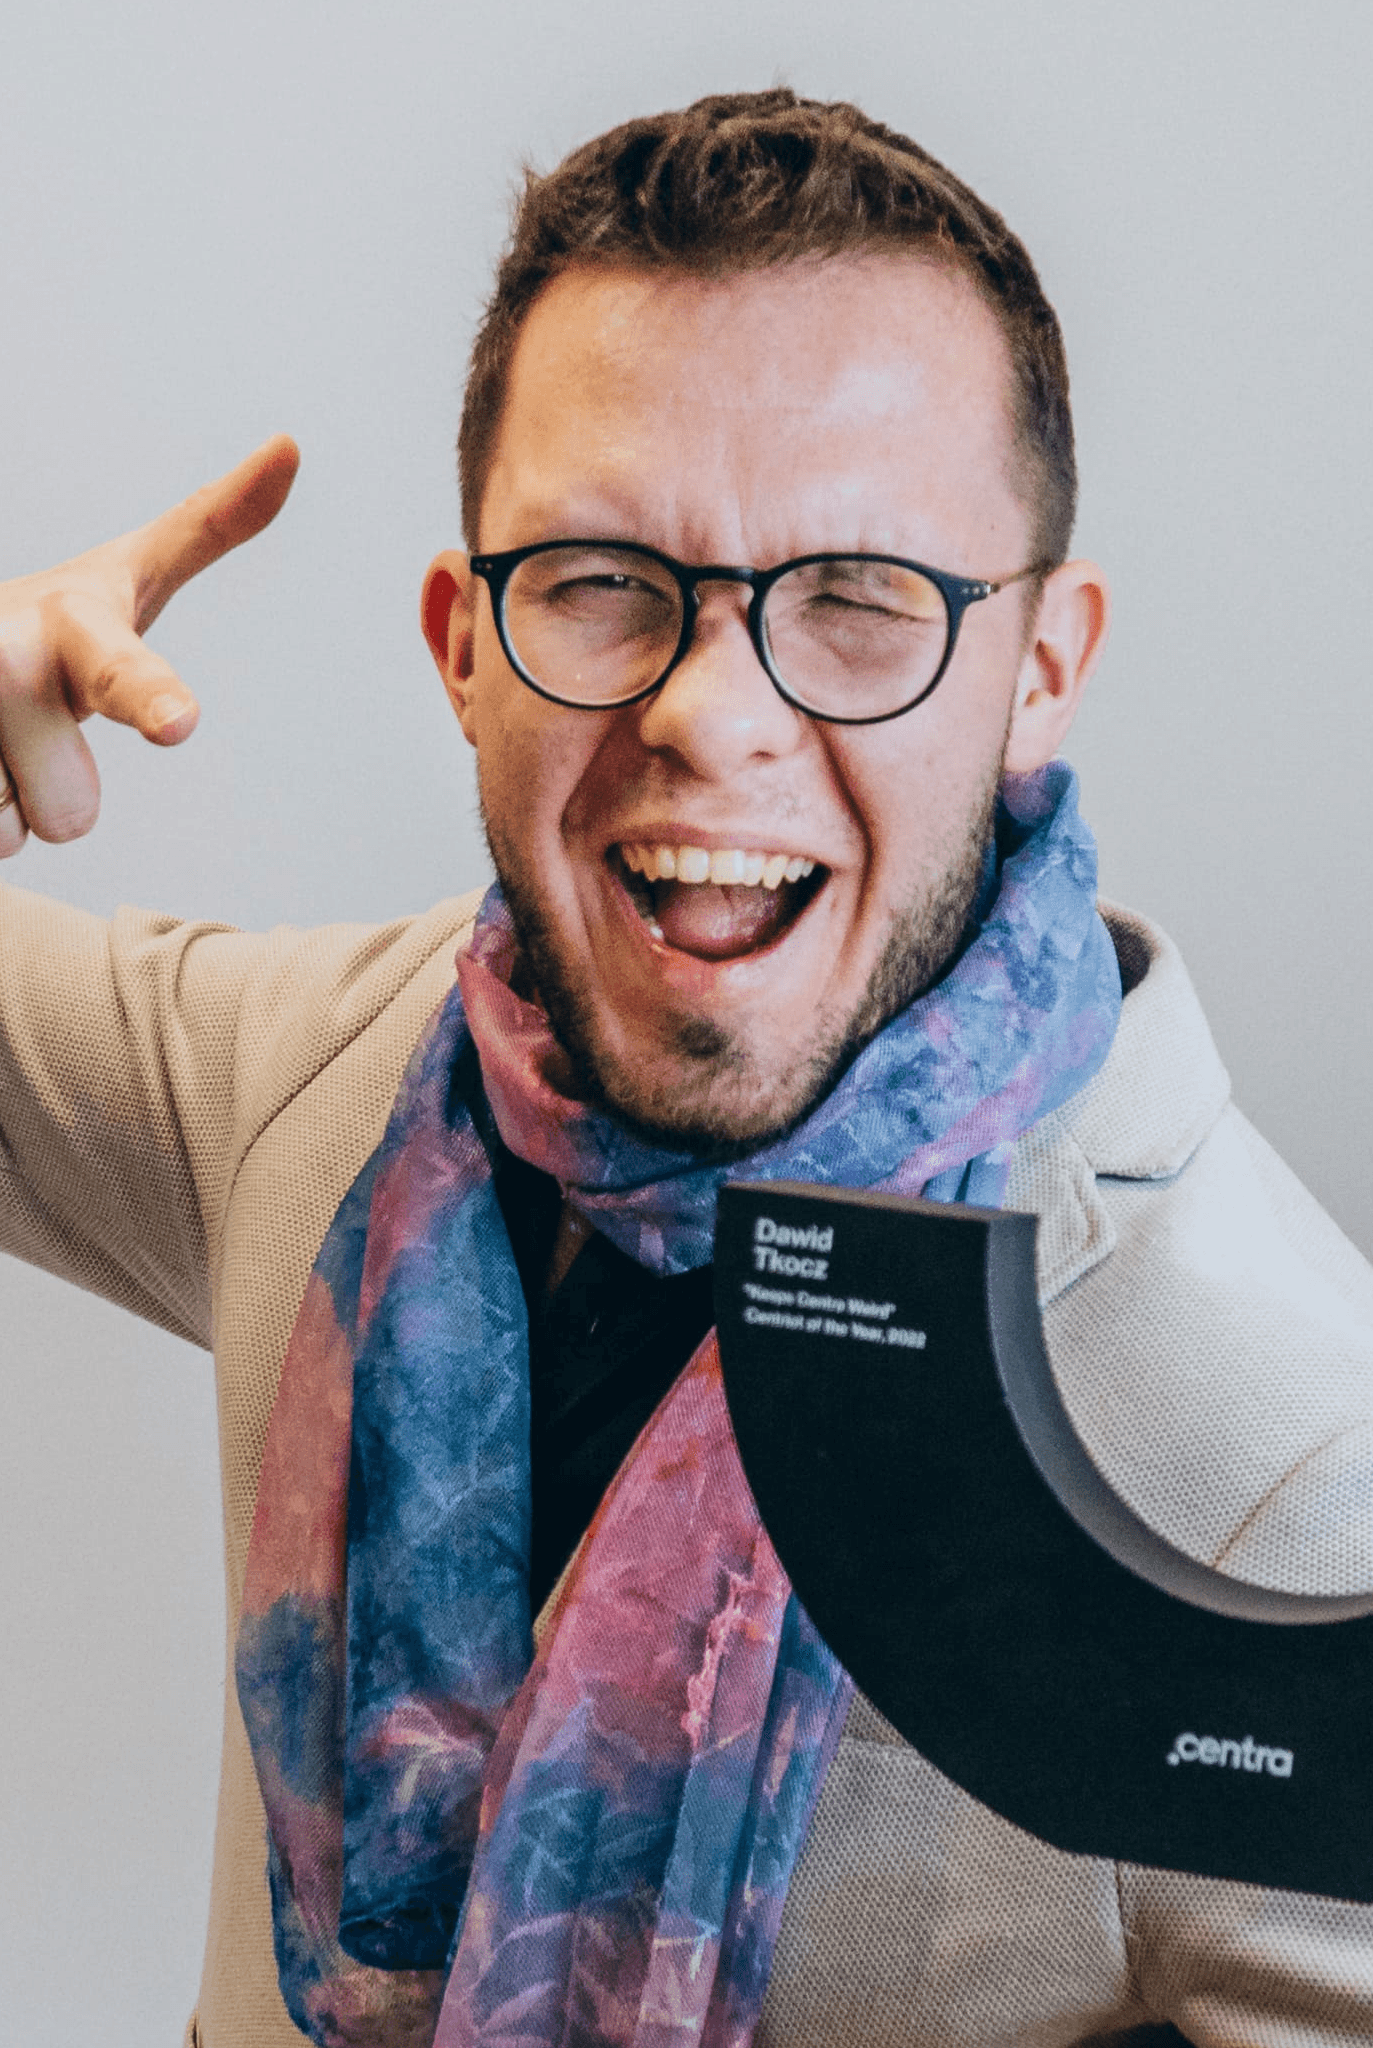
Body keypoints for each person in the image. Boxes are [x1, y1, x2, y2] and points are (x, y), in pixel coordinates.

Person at [1, 88, 1370, 2048]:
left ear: (1042, 669)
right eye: (597, 579)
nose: (712, 716)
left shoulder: (1287, 1484)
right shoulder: (309, 1083)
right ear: (459, 646)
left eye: (860, 596)